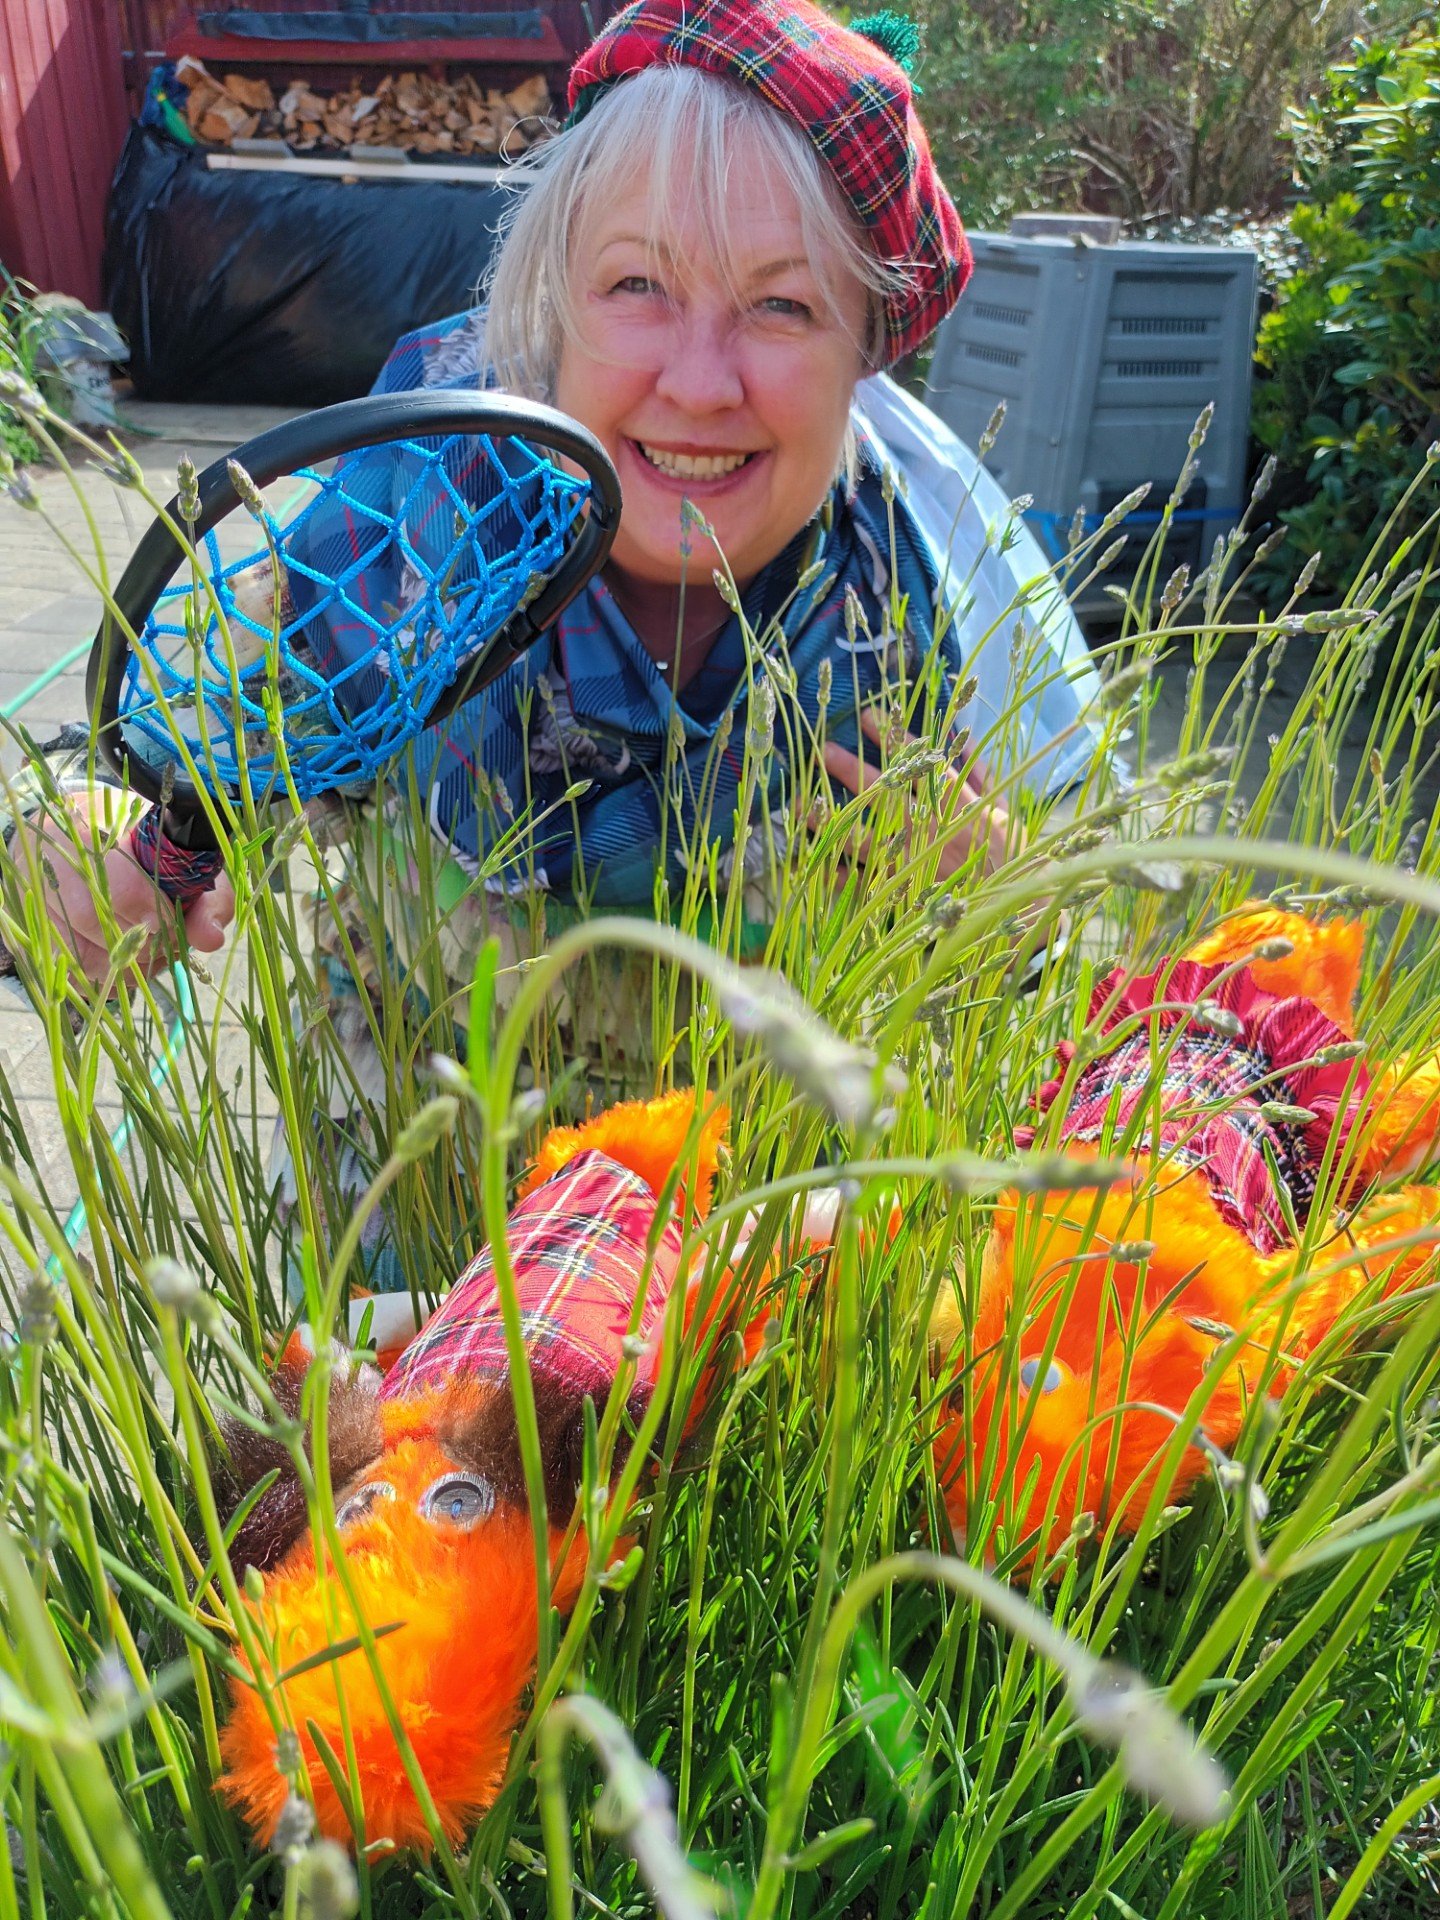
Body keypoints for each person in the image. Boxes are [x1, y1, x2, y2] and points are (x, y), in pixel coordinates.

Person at [3, 0, 1107, 1279]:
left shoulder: (930, 593)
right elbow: (116, 783)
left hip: (755, 1299)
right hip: (412, 1270)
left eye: (784, 308)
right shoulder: (401, 527)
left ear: (871, 347)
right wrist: (77, 860)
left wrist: (1005, 914)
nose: (701, 382)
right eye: (638, 285)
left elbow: (1082, 983)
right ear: (552, 305)